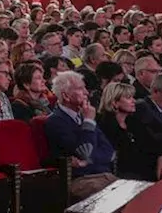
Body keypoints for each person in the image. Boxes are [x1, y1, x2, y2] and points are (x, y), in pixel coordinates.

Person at [43, 71, 117, 200]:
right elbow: (85, 152)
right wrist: (88, 121)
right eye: (80, 89)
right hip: (81, 180)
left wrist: (88, 161)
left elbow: (109, 152)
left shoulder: (84, 115)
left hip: (103, 175)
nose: (86, 93)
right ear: (66, 96)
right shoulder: (56, 121)